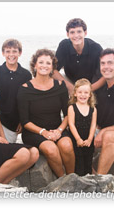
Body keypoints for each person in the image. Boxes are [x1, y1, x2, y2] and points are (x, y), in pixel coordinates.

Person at [17, 49, 75, 177]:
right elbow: (25, 121)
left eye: (48, 63)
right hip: (34, 132)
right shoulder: (24, 89)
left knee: (66, 145)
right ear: (35, 65)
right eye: (41, 62)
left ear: (52, 67)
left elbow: (67, 114)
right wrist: (44, 132)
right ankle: (62, 180)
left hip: (57, 128)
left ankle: (72, 178)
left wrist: (59, 130)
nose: (44, 65)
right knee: (51, 149)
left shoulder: (60, 86)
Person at [53, 18, 105, 95]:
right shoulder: (64, 45)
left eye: (79, 31)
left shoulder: (96, 48)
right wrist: (71, 88)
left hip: (92, 83)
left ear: (85, 33)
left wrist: (87, 90)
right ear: (68, 34)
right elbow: (53, 70)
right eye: (72, 32)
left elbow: (105, 75)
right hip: (72, 82)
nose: (76, 35)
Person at [0, 39, 32, 143]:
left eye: (14, 51)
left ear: (20, 53)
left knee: (7, 150)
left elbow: (27, 101)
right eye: (8, 51)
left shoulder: (26, 75)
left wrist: (22, 121)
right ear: (3, 53)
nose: (11, 54)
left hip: (13, 123)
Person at [68, 78, 97, 176]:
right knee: (79, 163)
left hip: (88, 140)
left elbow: (93, 125)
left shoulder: (93, 109)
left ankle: (88, 184)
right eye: (80, 92)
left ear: (90, 94)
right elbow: (71, 124)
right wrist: (78, 139)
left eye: (86, 92)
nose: (83, 95)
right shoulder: (72, 108)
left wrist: (89, 139)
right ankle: (79, 184)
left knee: (88, 162)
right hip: (76, 140)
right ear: (75, 93)